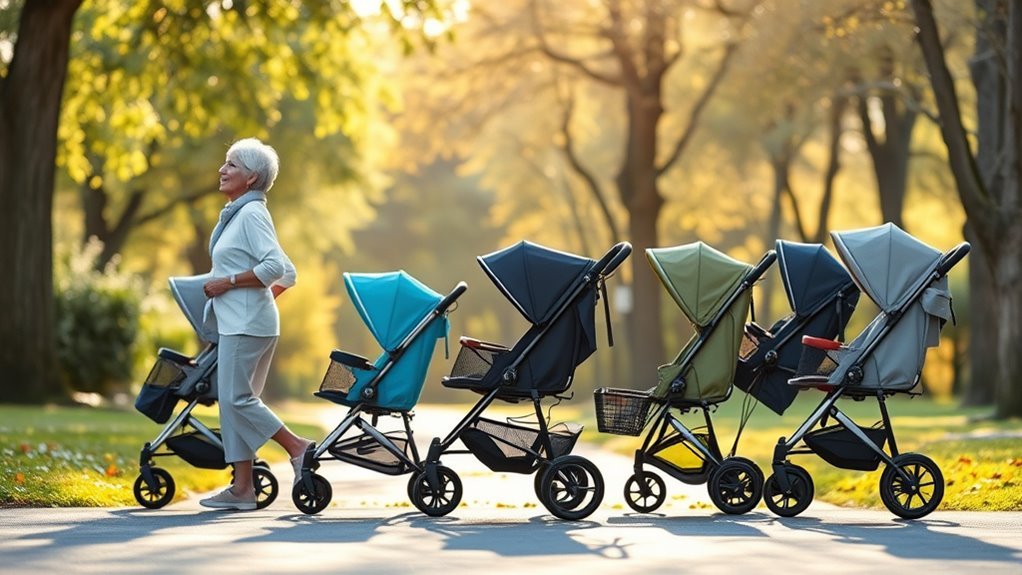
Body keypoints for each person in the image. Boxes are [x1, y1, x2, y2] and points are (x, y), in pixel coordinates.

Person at [199, 137, 314, 511]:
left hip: (246, 325)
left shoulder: (251, 214)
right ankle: (243, 489)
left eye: (231, 164)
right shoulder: (242, 213)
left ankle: (297, 448)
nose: (222, 169)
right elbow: (287, 271)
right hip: (248, 321)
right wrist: (258, 301)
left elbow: (274, 269)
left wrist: (229, 285)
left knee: (236, 399)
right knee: (234, 404)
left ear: (251, 177)